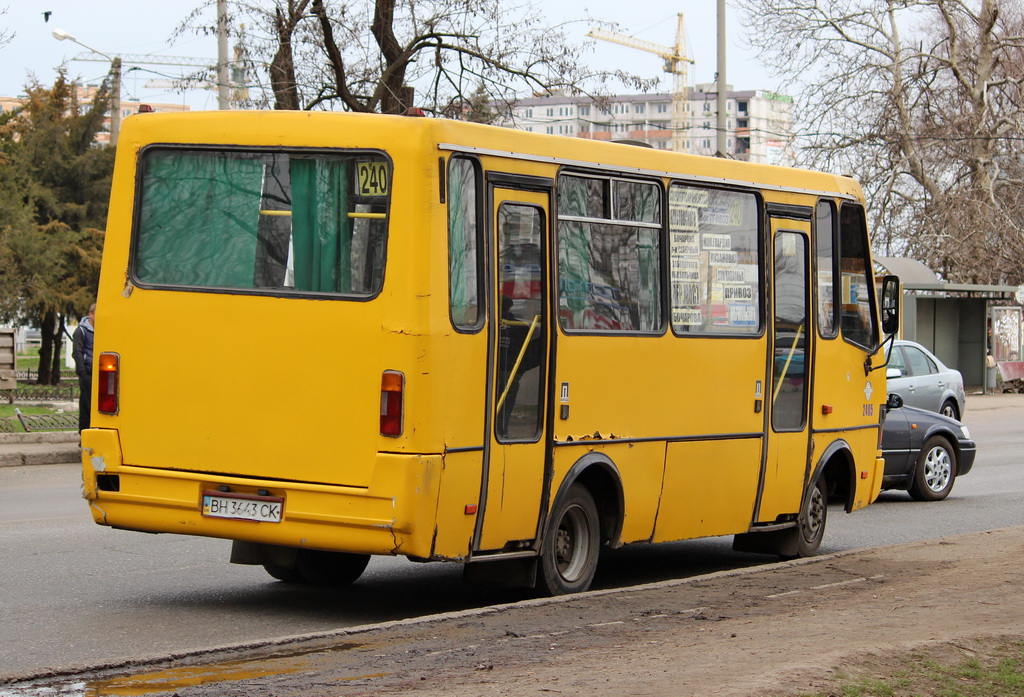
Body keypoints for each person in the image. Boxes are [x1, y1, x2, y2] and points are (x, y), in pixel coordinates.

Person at [72, 304, 96, 432]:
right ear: (91, 315)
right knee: (86, 404)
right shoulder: (81, 331)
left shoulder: (104, 330)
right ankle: (84, 432)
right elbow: (77, 351)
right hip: (87, 373)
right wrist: (82, 372)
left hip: (100, 373)